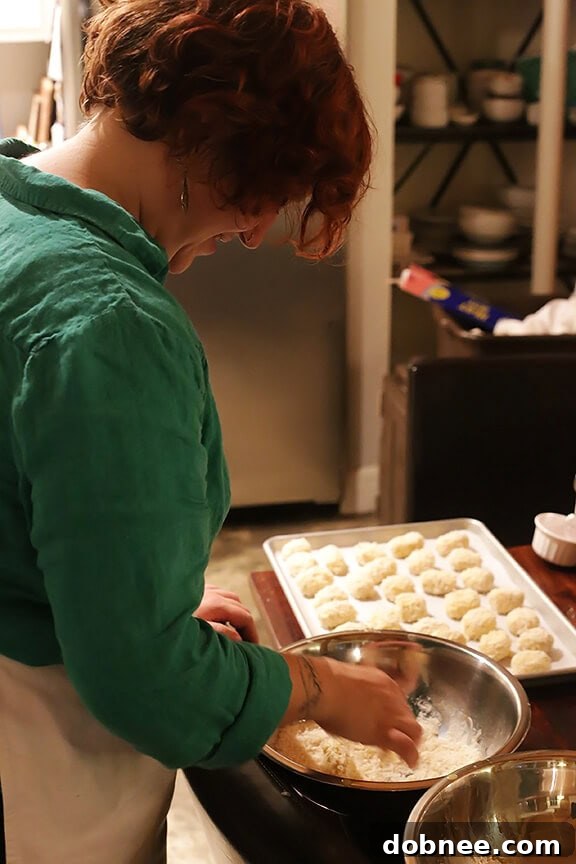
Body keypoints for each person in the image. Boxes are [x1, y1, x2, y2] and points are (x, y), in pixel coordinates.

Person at [0, 1, 421, 861]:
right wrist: (317, 687)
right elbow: (141, 681)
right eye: (261, 189)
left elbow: (33, 504)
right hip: (38, 781)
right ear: (204, 133)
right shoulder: (108, 325)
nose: (256, 228)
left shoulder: (16, 210)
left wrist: (144, 593)